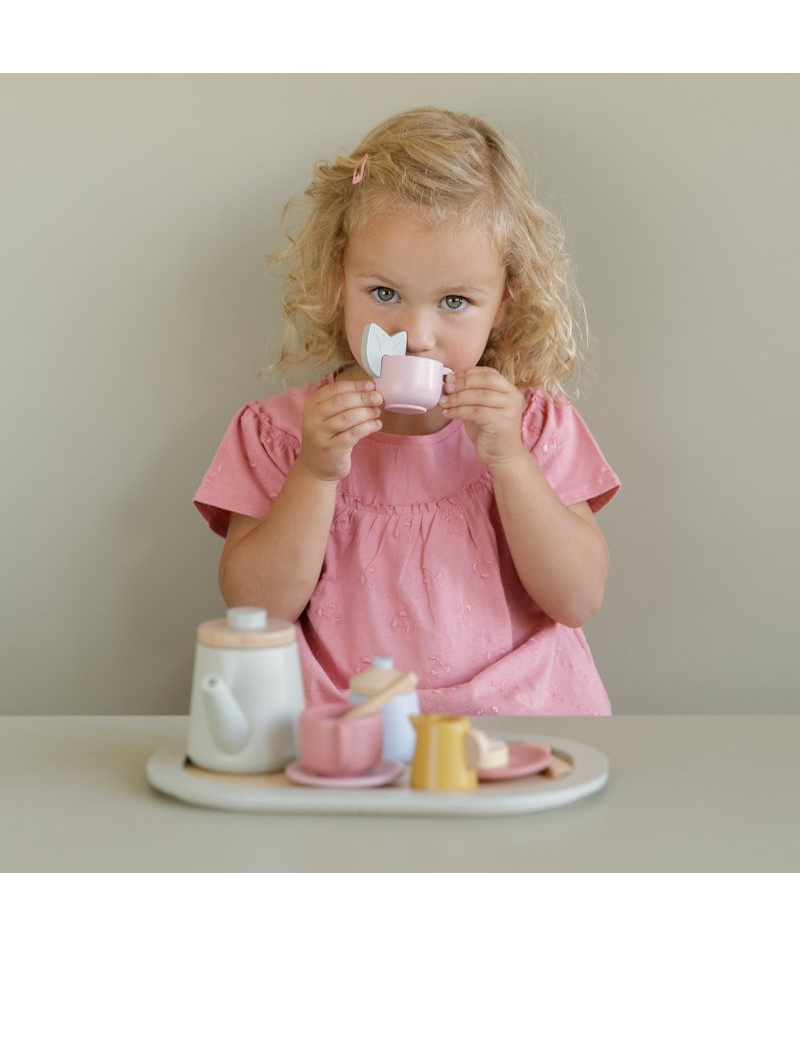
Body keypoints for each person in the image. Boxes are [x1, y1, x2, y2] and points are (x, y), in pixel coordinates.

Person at [194, 107, 620, 715]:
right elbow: (255, 611)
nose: (416, 335)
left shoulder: (532, 426)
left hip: (518, 721)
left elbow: (577, 599)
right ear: (339, 280)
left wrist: (509, 460)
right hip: (346, 730)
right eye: (384, 293)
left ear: (502, 304)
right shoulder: (281, 434)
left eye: (455, 301)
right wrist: (314, 472)